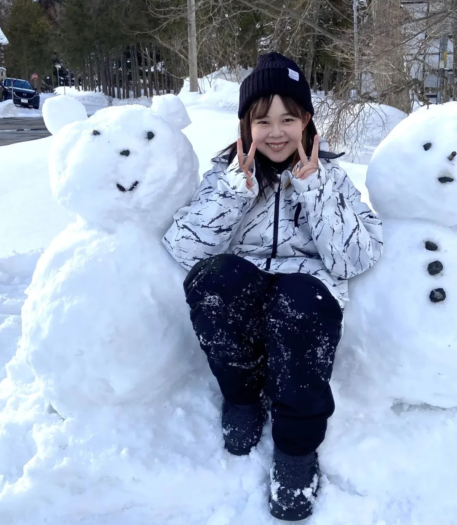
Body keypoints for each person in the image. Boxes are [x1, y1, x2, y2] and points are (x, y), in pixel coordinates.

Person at [163, 52, 383, 521]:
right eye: (263, 120)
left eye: (289, 118)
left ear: (307, 121)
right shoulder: (224, 177)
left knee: (302, 300)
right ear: (245, 126)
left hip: (305, 292)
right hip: (245, 292)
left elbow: (356, 258)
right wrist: (232, 192)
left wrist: (315, 188)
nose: (277, 131)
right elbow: (185, 249)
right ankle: (242, 396)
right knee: (213, 280)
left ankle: (296, 449)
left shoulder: (334, 180)